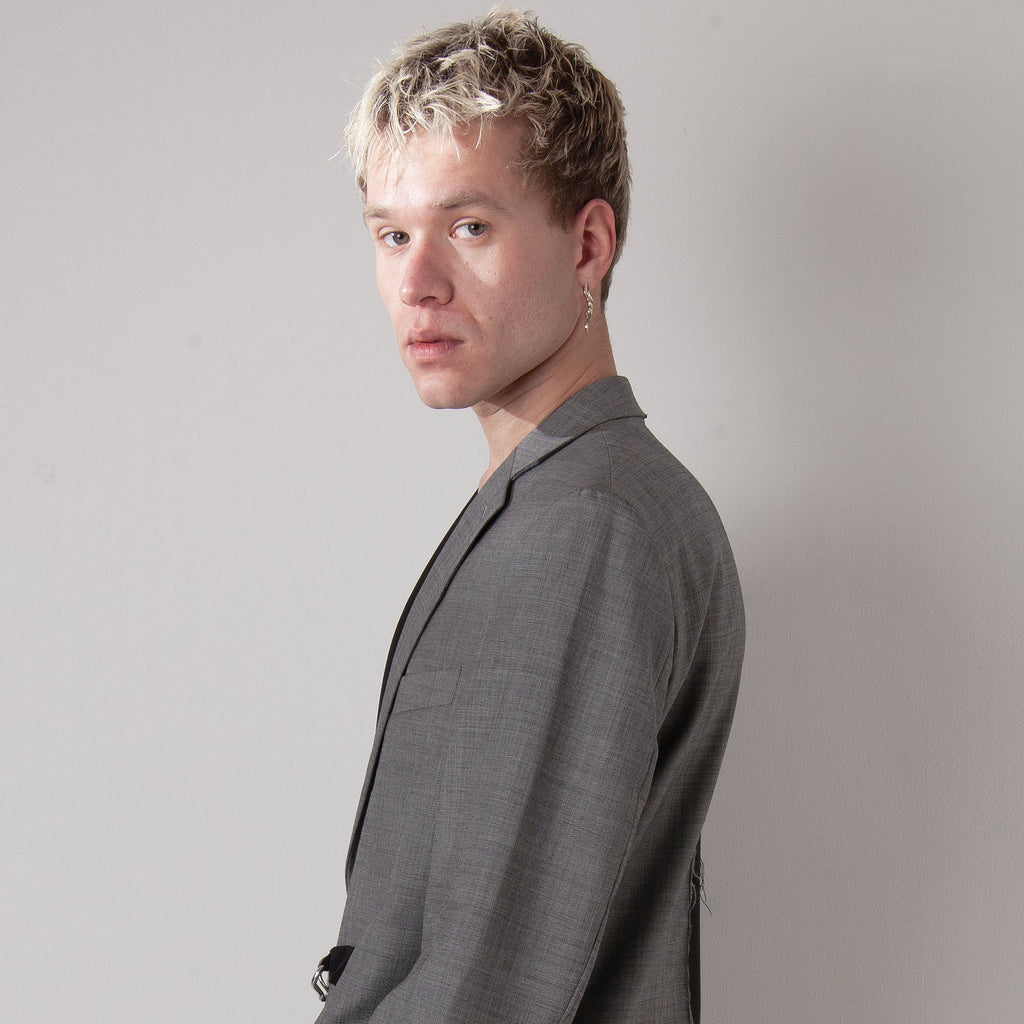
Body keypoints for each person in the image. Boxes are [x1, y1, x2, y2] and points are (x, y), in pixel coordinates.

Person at [312, 11, 744, 1023]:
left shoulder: (584, 524)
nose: (415, 283)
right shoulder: (570, 497)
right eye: (391, 234)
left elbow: (488, 984)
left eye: (469, 227)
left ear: (588, 242)